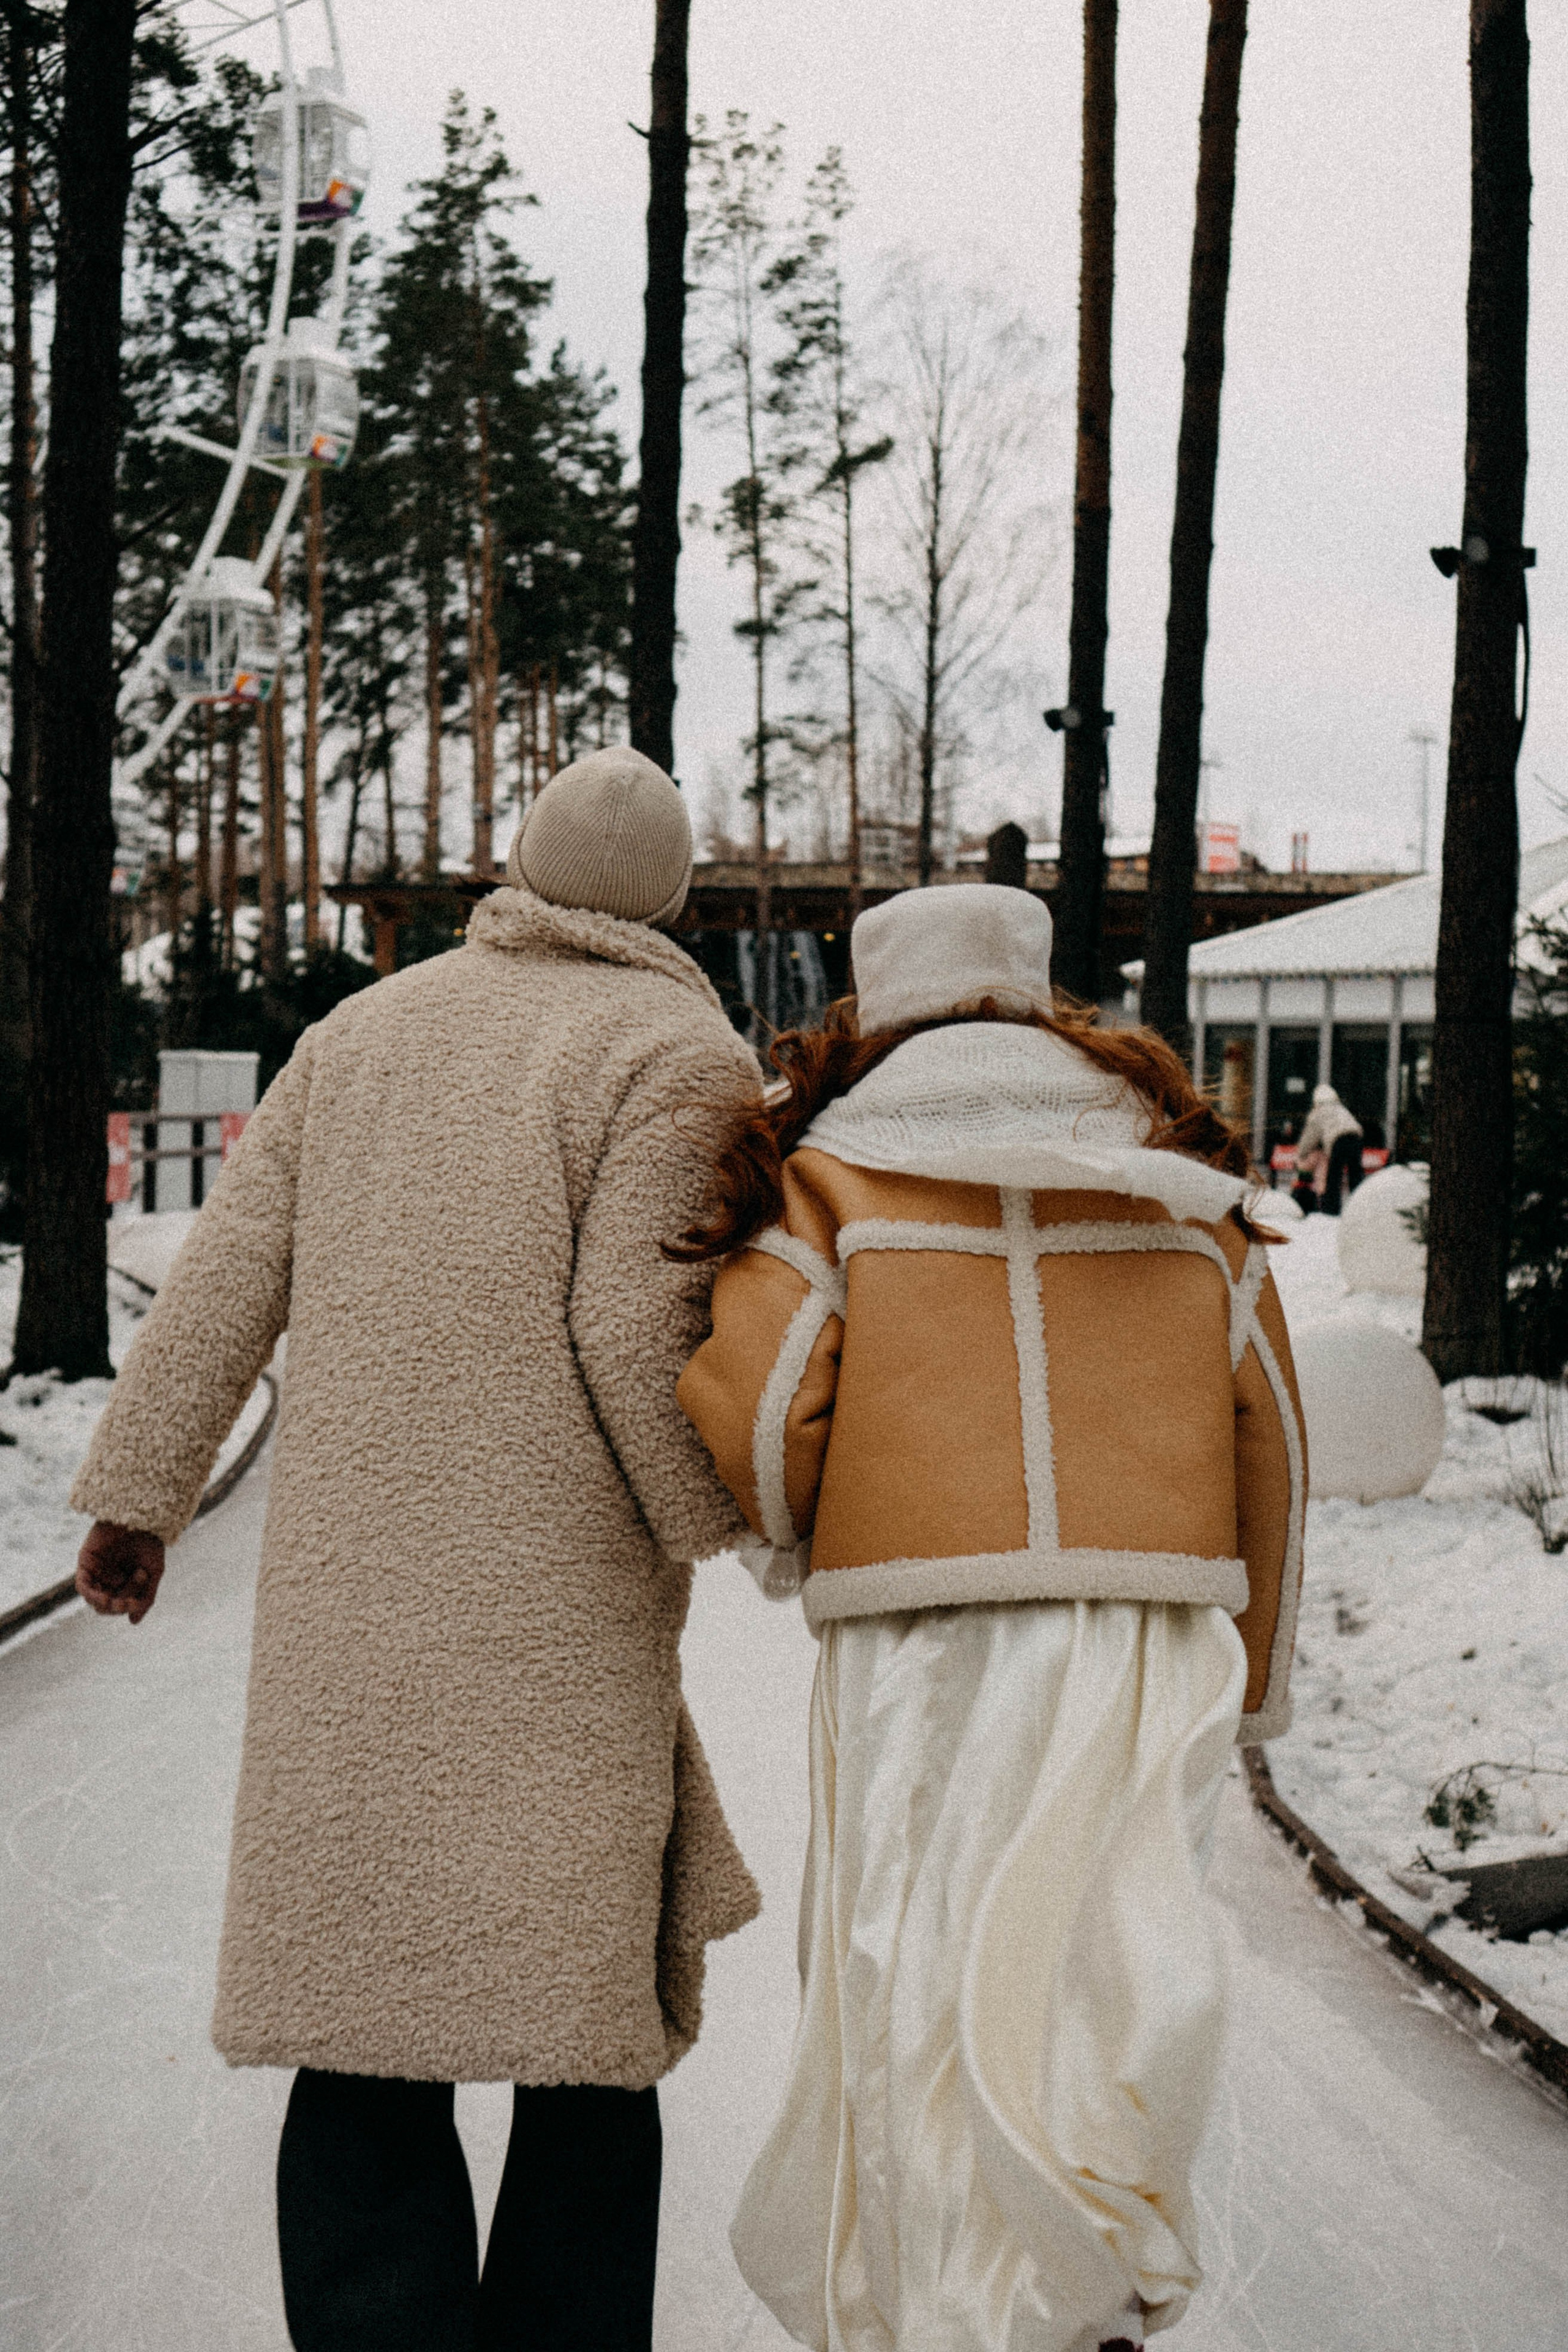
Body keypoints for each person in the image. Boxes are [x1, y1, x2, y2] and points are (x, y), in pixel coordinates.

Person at [71, 748, 764, 2352]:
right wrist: (723, 1516)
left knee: (363, 2022)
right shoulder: (678, 1052)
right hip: (554, 1622)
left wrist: (140, 1498)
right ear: (671, 896)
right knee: (586, 2038)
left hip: (353, 1617)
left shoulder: (364, 1033)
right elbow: (635, 1330)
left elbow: (230, 1273)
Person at [673, 886, 1306, 2352]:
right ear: (1035, 993)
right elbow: (1269, 1431)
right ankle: (1091, 2296)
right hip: (1143, 1641)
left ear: (872, 999)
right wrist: (1255, 1680)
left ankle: (935, 2309)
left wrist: (802, 1534)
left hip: (922, 1638)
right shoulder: (1173, 1172)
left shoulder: (830, 1178)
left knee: (920, 1975)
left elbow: (763, 1424)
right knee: (1103, 1978)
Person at [1295, 1080, 1363, 1215]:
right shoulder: (1341, 1108)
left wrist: (1301, 1154)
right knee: (1355, 1175)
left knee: (1334, 1177)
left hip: (1338, 1141)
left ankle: (1332, 1210)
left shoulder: (1318, 1112)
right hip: (1356, 1138)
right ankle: (1359, 1208)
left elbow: (1310, 1137)